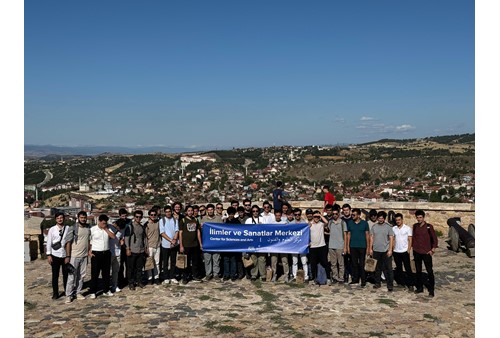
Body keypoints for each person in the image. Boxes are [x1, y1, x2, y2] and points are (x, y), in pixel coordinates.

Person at [65, 211, 91, 303]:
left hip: (84, 256)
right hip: (74, 256)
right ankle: (68, 295)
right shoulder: (73, 228)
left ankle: (78, 292)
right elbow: (68, 242)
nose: (83, 219)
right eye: (81, 217)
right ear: (78, 218)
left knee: (82, 276)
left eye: (84, 217)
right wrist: (68, 256)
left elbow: (88, 240)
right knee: (72, 276)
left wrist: (89, 251)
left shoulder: (88, 228)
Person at [88, 214, 116, 298]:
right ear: (99, 221)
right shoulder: (92, 229)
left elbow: (113, 236)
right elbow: (89, 241)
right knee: (95, 273)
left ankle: (106, 290)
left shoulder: (108, 228)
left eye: (105, 223)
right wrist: (89, 251)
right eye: (103, 223)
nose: (104, 224)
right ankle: (93, 291)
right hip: (96, 253)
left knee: (106, 273)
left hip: (106, 253)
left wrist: (106, 229)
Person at [412, 209, 438, 297]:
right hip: (417, 251)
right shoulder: (415, 226)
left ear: (423, 217)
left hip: (426, 252)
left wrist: (433, 249)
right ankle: (419, 288)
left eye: (420, 217)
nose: (419, 219)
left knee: (429, 271)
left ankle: (431, 289)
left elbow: (434, 239)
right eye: (417, 217)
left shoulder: (429, 227)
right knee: (418, 271)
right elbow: (413, 238)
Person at [46, 212, 71, 300]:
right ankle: (55, 293)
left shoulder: (68, 228)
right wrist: (49, 255)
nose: (60, 219)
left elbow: (69, 242)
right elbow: (49, 242)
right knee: (55, 275)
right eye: (58, 218)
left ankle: (67, 291)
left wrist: (68, 256)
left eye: (61, 218)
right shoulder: (52, 229)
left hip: (64, 255)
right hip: (55, 254)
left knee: (66, 275)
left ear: (64, 218)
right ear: (55, 219)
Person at [368, 211, 395, 292]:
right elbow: (371, 238)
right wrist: (370, 248)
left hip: (385, 250)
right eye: (379, 218)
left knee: (388, 268)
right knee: (377, 268)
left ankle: (390, 285)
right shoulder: (374, 227)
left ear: (384, 218)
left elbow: (391, 238)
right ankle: (377, 283)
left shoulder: (388, 227)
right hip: (376, 250)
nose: (380, 219)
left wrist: (390, 249)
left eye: (382, 218)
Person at [179, 205, 203, 284]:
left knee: (195, 262)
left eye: (191, 210)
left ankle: (195, 275)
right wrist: (181, 245)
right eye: (188, 211)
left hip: (195, 244)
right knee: (186, 262)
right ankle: (185, 277)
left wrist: (200, 243)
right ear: (186, 212)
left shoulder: (195, 220)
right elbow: (180, 233)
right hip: (186, 245)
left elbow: (198, 232)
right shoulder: (183, 220)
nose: (190, 212)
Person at [124, 210, 147, 290]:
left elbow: (144, 238)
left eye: (140, 217)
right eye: (137, 217)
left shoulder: (142, 227)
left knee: (139, 268)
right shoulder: (130, 227)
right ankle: (131, 283)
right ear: (134, 217)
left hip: (140, 250)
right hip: (132, 250)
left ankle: (139, 281)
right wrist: (127, 248)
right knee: (131, 268)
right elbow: (126, 238)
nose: (138, 218)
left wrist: (145, 248)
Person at [346, 208, 369, 287]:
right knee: (354, 264)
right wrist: (348, 247)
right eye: (352, 214)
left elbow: (367, 235)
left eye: (354, 215)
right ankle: (355, 279)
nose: (352, 216)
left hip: (362, 246)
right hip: (353, 246)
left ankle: (363, 280)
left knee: (362, 264)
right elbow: (348, 235)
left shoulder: (364, 223)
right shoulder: (350, 223)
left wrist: (368, 247)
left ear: (359, 215)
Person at [200, 203, 223, 281]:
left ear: (214, 210)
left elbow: (222, 230)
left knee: (216, 259)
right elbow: (200, 231)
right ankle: (208, 274)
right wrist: (201, 226)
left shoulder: (218, 219)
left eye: (211, 209)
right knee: (207, 259)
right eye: (208, 210)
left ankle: (216, 274)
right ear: (207, 210)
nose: (210, 211)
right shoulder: (203, 219)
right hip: (207, 242)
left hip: (216, 242)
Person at [392, 213, 415, 291]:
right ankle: (401, 283)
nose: (398, 221)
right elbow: (393, 239)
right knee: (399, 268)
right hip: (396, 251)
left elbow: (410, 239)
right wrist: (392, 248)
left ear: (402, 220)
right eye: (396, 220)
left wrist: (408, 250)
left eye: (399, 220)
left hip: (404, 251)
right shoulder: (394, 228)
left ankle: (410, 284)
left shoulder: (407, 228)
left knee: (408, 268)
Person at [327, 204, 347, 284]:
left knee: (341, 263)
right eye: (333, 214)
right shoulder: (330, 222)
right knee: (333, 263)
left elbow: (345, 235)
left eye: (336, 214)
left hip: (340, 245)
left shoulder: (342, 222)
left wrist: (345, 247)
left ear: (339, 214)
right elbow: (329, 231)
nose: (334, 215)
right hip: (331, 245)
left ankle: (341, 277)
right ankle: (335, 277)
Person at [245, 205, 267, 281]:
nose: (255, 212)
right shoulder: (248, 220)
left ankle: (263, 274)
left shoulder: (262, 219)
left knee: (262, 259)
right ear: (252, 212)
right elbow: (246, 230)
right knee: (254, 258)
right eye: (253, 211)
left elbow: (267, 230)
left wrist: (262, 226)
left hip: (261, 241)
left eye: (256, 211)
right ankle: (254, 274)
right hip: (252, 241)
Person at [159, 205, 179, 285]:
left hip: (174, 244)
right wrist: (171, 240)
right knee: (166, 262)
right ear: (164, 212)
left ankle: (172, 276)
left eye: (169, 212)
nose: (168, 213)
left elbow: (177, 230)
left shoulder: (175, 220)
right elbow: (162, 233)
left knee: (173, 261)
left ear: (171, 212)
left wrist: (174, 240)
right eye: (166, 212)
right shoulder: (162, 220)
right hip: (165, 244)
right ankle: (166, 277)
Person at [309, 211, 329, 284]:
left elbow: (326, 222)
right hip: (313, 247)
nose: (316, 218)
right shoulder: (310, 224)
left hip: (321, 246)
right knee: (313, 264)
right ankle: (312, 279)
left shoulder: (321, 224)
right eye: (315, 217)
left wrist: (320, 215)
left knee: (325, 263)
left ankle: (328, 278)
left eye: (318, 217)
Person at [270, 209, 290, 282]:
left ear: (281, 216)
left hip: (283, 245)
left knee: (285, 260)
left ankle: (286, 275)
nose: (278, 217)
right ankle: (274, 275)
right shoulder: (271, 224)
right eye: (276, 215)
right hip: (274, 245)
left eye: (279, 215)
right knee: (273, 261)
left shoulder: (284, 223)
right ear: (275, 216)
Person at [290, 208, 309, 282]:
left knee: (304, 262)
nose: (297, 216)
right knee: (294, 262)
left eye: (298, 214)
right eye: (296, 215)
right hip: (294, 245)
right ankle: (295, 276)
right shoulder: (291, 224)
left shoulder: (304, 223)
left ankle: (306, 277)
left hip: (302, 245)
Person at [144, 208, 161, 285]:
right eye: (152, 215)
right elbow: (145, 237)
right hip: (149, 246)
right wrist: (146, 247)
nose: (153, 216)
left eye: (155, 215)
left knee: (157, 263)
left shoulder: (158, 223)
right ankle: (150, 278)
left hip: (157, 245)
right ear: (149, 215)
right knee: (149, 263)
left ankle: (156, 277)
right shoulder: (146, 225)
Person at [223, 207, 240, 281]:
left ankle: (233, 275)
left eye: (232, 214)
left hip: (234, 244)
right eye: (230, 214)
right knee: (226, 260)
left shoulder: (237, 222)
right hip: (226, 244)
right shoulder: (225, 222)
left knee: (233, 260)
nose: (231, 215)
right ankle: (226, 274)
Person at [115, 208, 130, 288]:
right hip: (119, 247)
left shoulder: (129, 222)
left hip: (127, 245)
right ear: (119, 216)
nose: (124, 217)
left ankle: (128, 278)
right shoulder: (117, 223)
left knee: (128, 264)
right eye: (122, 216)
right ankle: (120, 280)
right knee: (120, 265)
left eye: (125, 216)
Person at [109, 218, 125, 294]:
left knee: (116, 271)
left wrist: (122, 241)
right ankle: (107, 286)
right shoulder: (109, 227)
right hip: (109, 252)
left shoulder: (121, 230)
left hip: (118, 252)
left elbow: (121, 238)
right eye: (119, 227)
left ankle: (114, 285)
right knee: (108, 271)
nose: (120, 229)